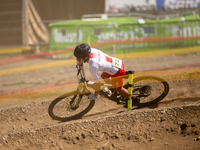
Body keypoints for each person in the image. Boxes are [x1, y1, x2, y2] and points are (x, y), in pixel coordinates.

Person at [73, 43, 139, 105]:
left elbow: (97, 83)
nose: (77, 60)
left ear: (85, 57)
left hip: (117, 71)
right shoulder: (91, 50)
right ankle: (112, 87)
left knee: (118, 89)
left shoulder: (93, 66)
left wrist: (95, 95)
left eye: (78, 58)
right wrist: (79, 61)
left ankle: (134, 98)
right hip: (116, 63)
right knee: (103, 76)